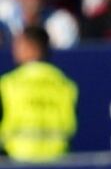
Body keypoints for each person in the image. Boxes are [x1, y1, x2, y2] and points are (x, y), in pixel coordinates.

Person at [0, 25, 77, 162]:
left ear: (33, 48)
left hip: (17, 159)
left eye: (19, 45)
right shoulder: (65, 84)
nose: (14, 50)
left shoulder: (8, 84)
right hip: (58, 159)